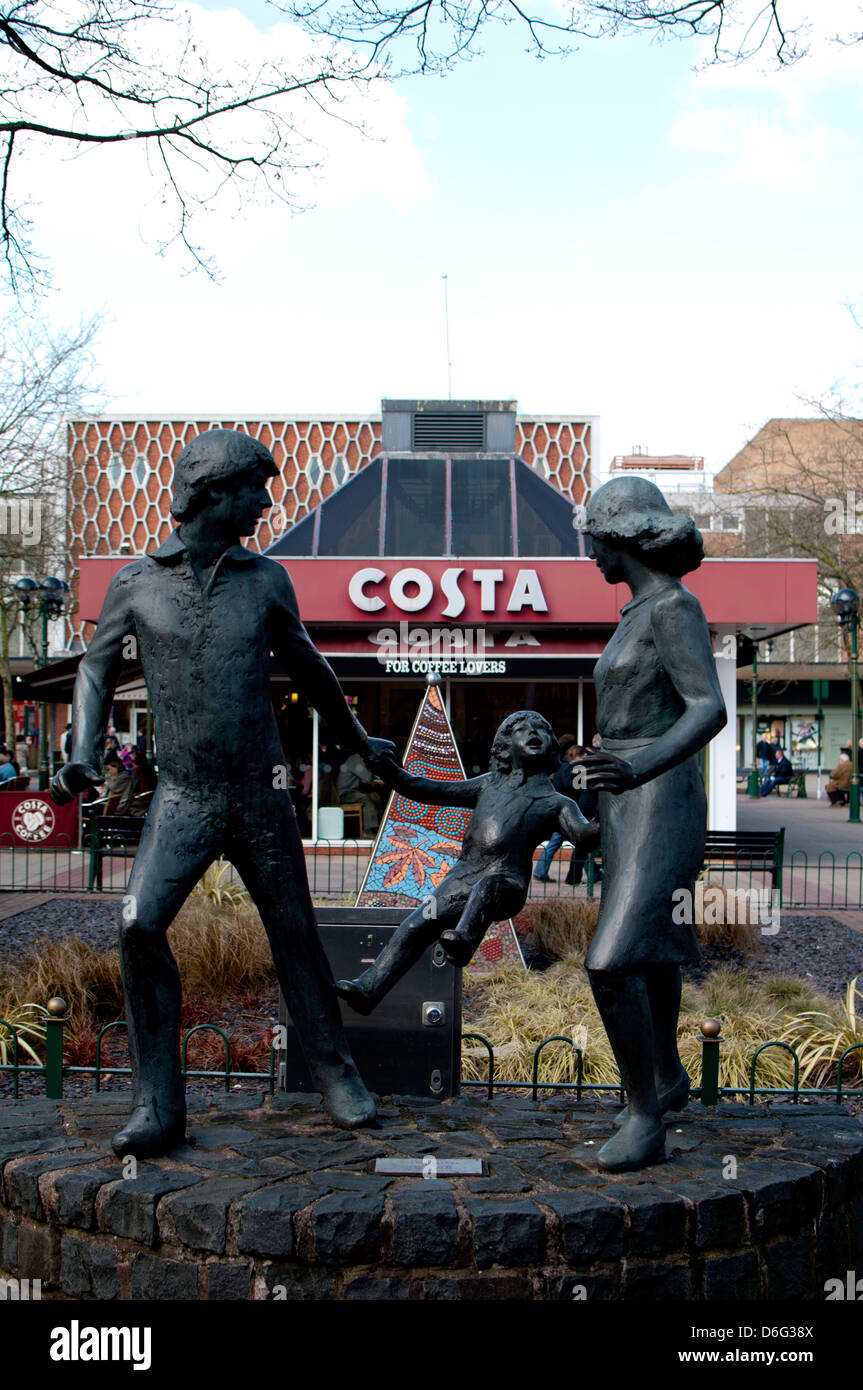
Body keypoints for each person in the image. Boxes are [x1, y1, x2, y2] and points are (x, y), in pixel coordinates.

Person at [52, 428, 395, 1157]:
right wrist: (82, 752)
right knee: (140, 924)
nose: (265, 504)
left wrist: (361, 744)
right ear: (214, 492)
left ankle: (337, 1077)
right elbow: (94, 671)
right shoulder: (136, 582)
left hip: (260, 794)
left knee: (295, 934)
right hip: (183, 796)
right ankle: (158, 1105)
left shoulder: (266, 579)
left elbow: (313, 667)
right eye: (253, 490)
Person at [574, 476, 726, 1172]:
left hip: (660, 795)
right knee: (654, 948)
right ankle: (663, 1078)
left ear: (618, 538)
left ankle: (643, 1117)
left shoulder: (672, 607)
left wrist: (635, 768)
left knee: (611, 960)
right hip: (624, 794)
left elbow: (706, 708)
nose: (587, 556)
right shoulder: (635, 611)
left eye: (591, 541)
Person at [335, 711, 599, 1014]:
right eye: (522, 729)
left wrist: (610, 803)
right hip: (462, 877)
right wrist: (390, 771)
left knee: (489, 886)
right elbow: (426, 789)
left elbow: (584, 836)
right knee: (415, 925)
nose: (533, 731)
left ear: (552, 746)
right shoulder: (487, 785)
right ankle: (368, 989)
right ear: (504, 747)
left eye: (541, 728)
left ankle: (465, 941)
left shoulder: (557, 803)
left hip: (507, 885)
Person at [336, 749, 383, 833]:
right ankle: (369, 830)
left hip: (353, 790)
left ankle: (380, 826)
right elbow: (367, 777)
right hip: (345, 793)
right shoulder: (355, 759)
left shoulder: (358, 758)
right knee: (365, 799)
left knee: (376, 797)